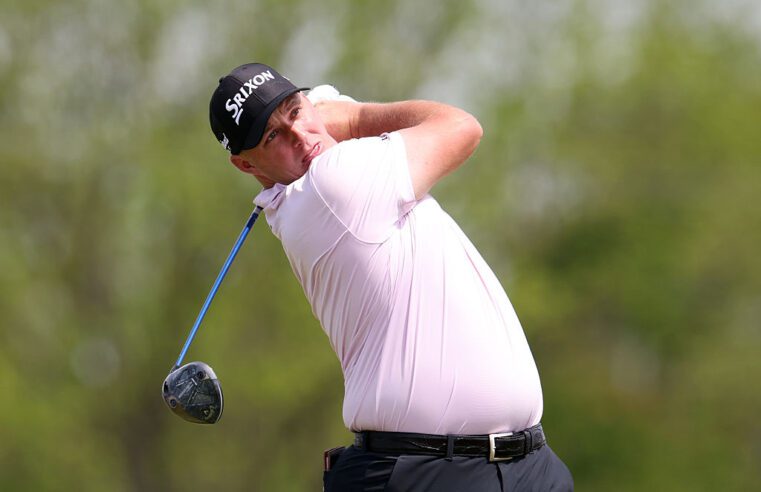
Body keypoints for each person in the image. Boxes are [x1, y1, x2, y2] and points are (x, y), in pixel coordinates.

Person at [208, 62, 573, 491]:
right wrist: (351, 117)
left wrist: (318, 113)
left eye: (295, 111)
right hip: (425, 472)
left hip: (526, 466)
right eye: (272, 137)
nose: (300, 137)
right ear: (246, 165)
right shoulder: (330, 185)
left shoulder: (325, 185)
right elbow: (461, 128)